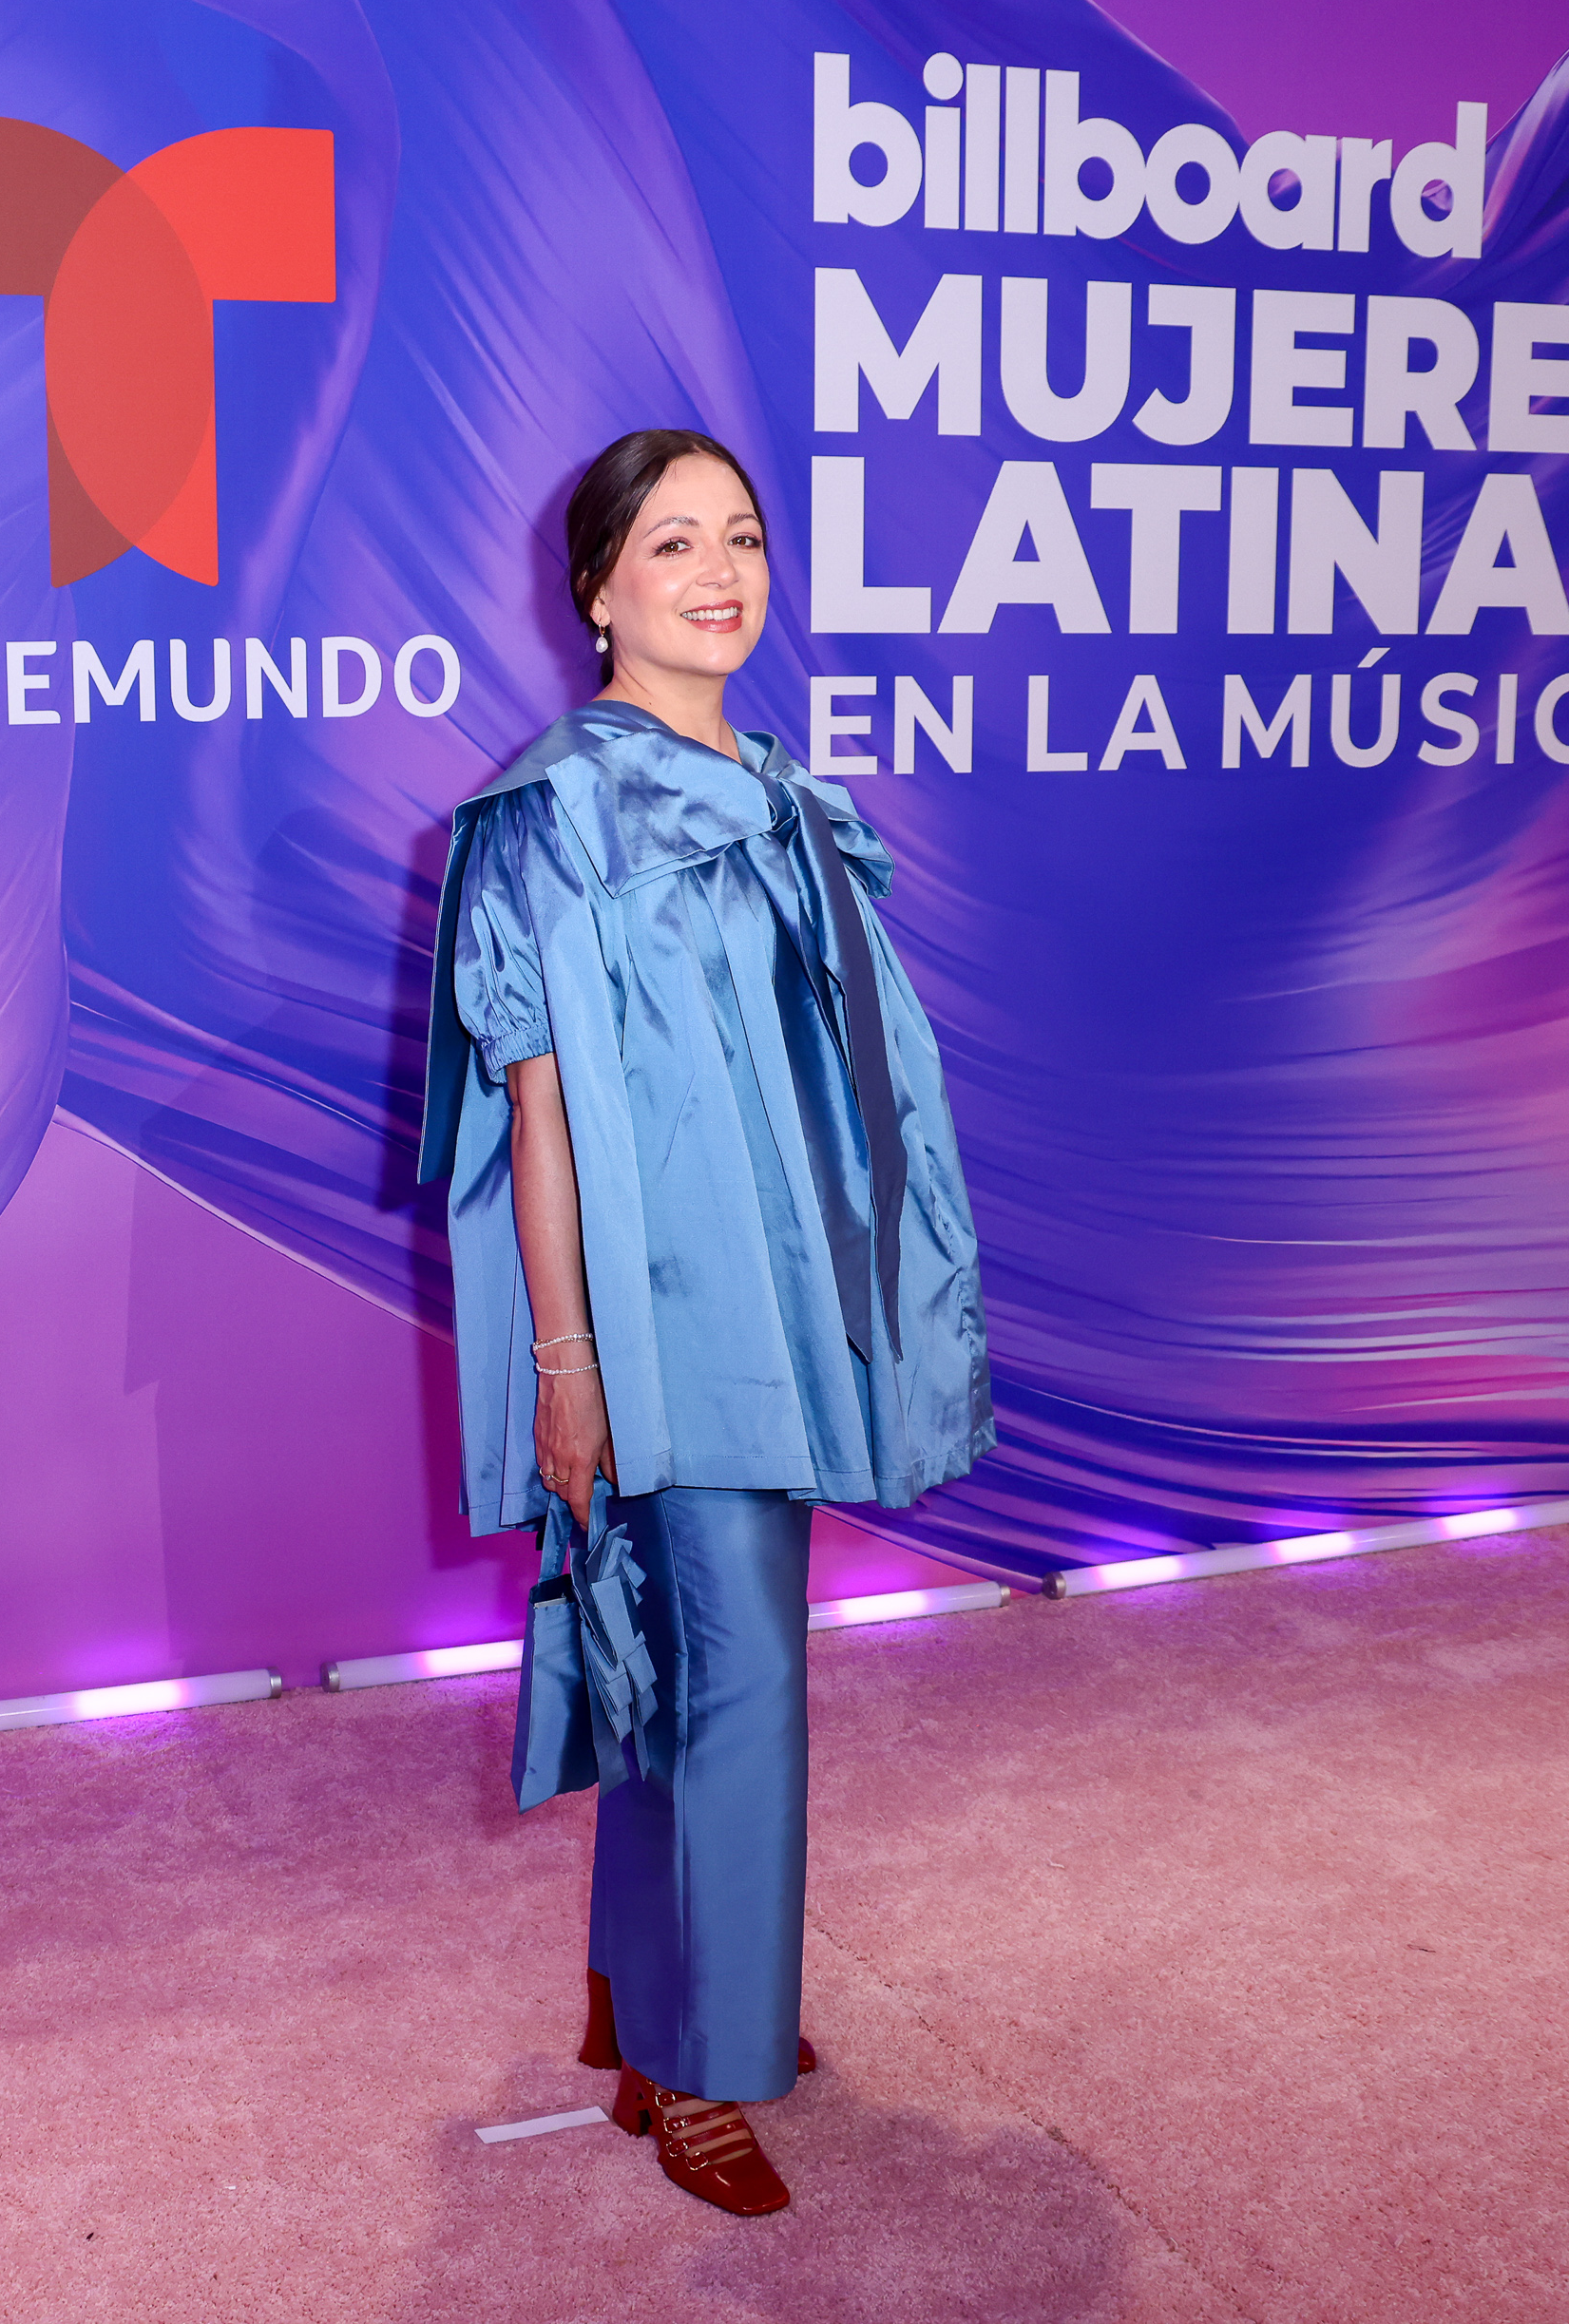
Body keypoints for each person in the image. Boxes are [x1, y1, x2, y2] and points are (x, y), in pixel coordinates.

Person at [416, 429, 995, 2215]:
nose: (720, 572)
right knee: (733, 1676)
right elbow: (538, 1118)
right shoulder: (554, 821)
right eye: (673, 544)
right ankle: (695, 2067)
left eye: (742, 536)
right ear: (598, 590)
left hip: (792, 1309)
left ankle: (649, 1989)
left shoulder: (795, 801)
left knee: (698, 1664)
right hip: (662, 1339)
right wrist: (569, 1364)